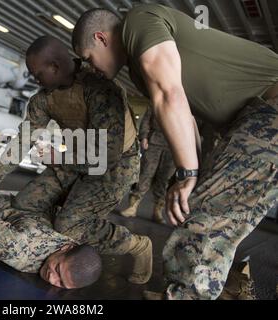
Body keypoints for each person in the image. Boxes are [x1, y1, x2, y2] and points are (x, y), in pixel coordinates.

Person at [72, 4, 278, 299]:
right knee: (219, 210)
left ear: (102, 38)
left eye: (88, 58)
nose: (92, 68)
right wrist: (189, 176)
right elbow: (188, 117)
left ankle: (187, 295)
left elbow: (170, 95)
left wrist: (188, 173)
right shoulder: (139, 70)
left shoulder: (137, 22)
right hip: (261, 115)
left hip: (270, 109)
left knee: (207, 217)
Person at [0, 35, 152, 284]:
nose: (34, 80)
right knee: (25, 204)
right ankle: (52, 240)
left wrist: (61, 157)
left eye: (37, 74)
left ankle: (136, 245)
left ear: (54, 67)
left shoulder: (100, 89)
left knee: (69, 225)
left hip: (114, 167)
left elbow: (107, 154)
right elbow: (24, 140)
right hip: (73, 161)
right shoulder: (44, 98)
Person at [121, 106, 175, 224]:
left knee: (165, 179)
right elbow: (147, 119)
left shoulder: (188, 106)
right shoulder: (157, 101)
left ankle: (157, 211)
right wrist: (144, 137)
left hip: (174, 147)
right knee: (145, 173)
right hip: (154, 142)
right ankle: (132, 207)